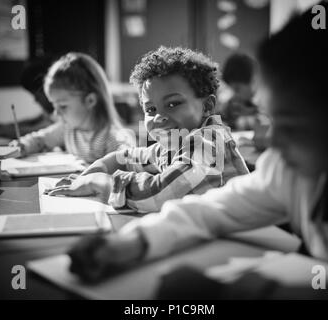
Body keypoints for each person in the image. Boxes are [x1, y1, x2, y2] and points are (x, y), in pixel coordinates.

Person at [64, 1, 328, 298]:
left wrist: (230, 293)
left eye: (293, 124)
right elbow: (212, 210)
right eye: (269, 117)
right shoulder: (291, 170)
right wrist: (134, 243)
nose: (273, 143)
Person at [46, 46, 249, 213]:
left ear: (207, 106)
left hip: (245, 243)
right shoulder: (174, 143)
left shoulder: (208, 142)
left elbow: (161, 194)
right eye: (150, 109)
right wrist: (87, 176)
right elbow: (125, 157)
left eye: (173, 104)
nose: (159, 117)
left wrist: (101, 182)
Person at [9, 52, 133, 164]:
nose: (56, 113)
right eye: (54, 105)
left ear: (90, 101)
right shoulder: (67, 129)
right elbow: (40, 139)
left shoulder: (112, 138)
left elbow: (127, 167)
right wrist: (24, 146)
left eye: (63, 106)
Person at [0, 56, 56, 139]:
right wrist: (10, 125)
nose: (35, 100)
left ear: (46, 90)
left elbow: (48, 128)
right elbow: (39, 119)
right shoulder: (51, 111)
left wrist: (8, 131)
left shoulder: (60, 111)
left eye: (36, 95)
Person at [220, 52, 268, 131]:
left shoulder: (265, 104)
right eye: (231, 89)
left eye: (237, 89)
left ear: (253, 80)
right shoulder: (229, 106)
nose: (234, 94)